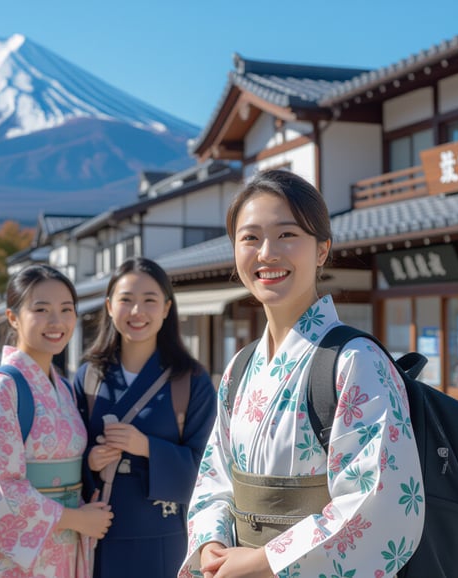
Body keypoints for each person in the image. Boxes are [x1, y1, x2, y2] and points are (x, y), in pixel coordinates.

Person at [180, 170, 424, 578]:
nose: (267, 253)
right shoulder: (239, 369)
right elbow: (214, 479)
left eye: (287, 234)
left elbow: (376, 503)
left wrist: (262, 561)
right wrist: (212, 545)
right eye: (250, 237)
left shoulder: (354, 361)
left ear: (322, 249)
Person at [0, 264, 113, 577]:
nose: (56, 321)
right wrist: (76, 519)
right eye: (41, 309)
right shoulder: (1, 388)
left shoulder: (63, 386)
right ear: (13, 318)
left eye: (66, 309)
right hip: (15, 557)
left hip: (64, 544)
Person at [73, 257, 217, 578]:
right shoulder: (89, 377)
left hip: (164, 538)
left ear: (166, 308)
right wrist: (90, 462)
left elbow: (211, 469)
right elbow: (64, 452)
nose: (137, 312)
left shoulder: (190, 380)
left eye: (149, 300)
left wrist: (146, 447)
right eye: (126, 300)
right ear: (109, 306)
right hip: (99, 534)